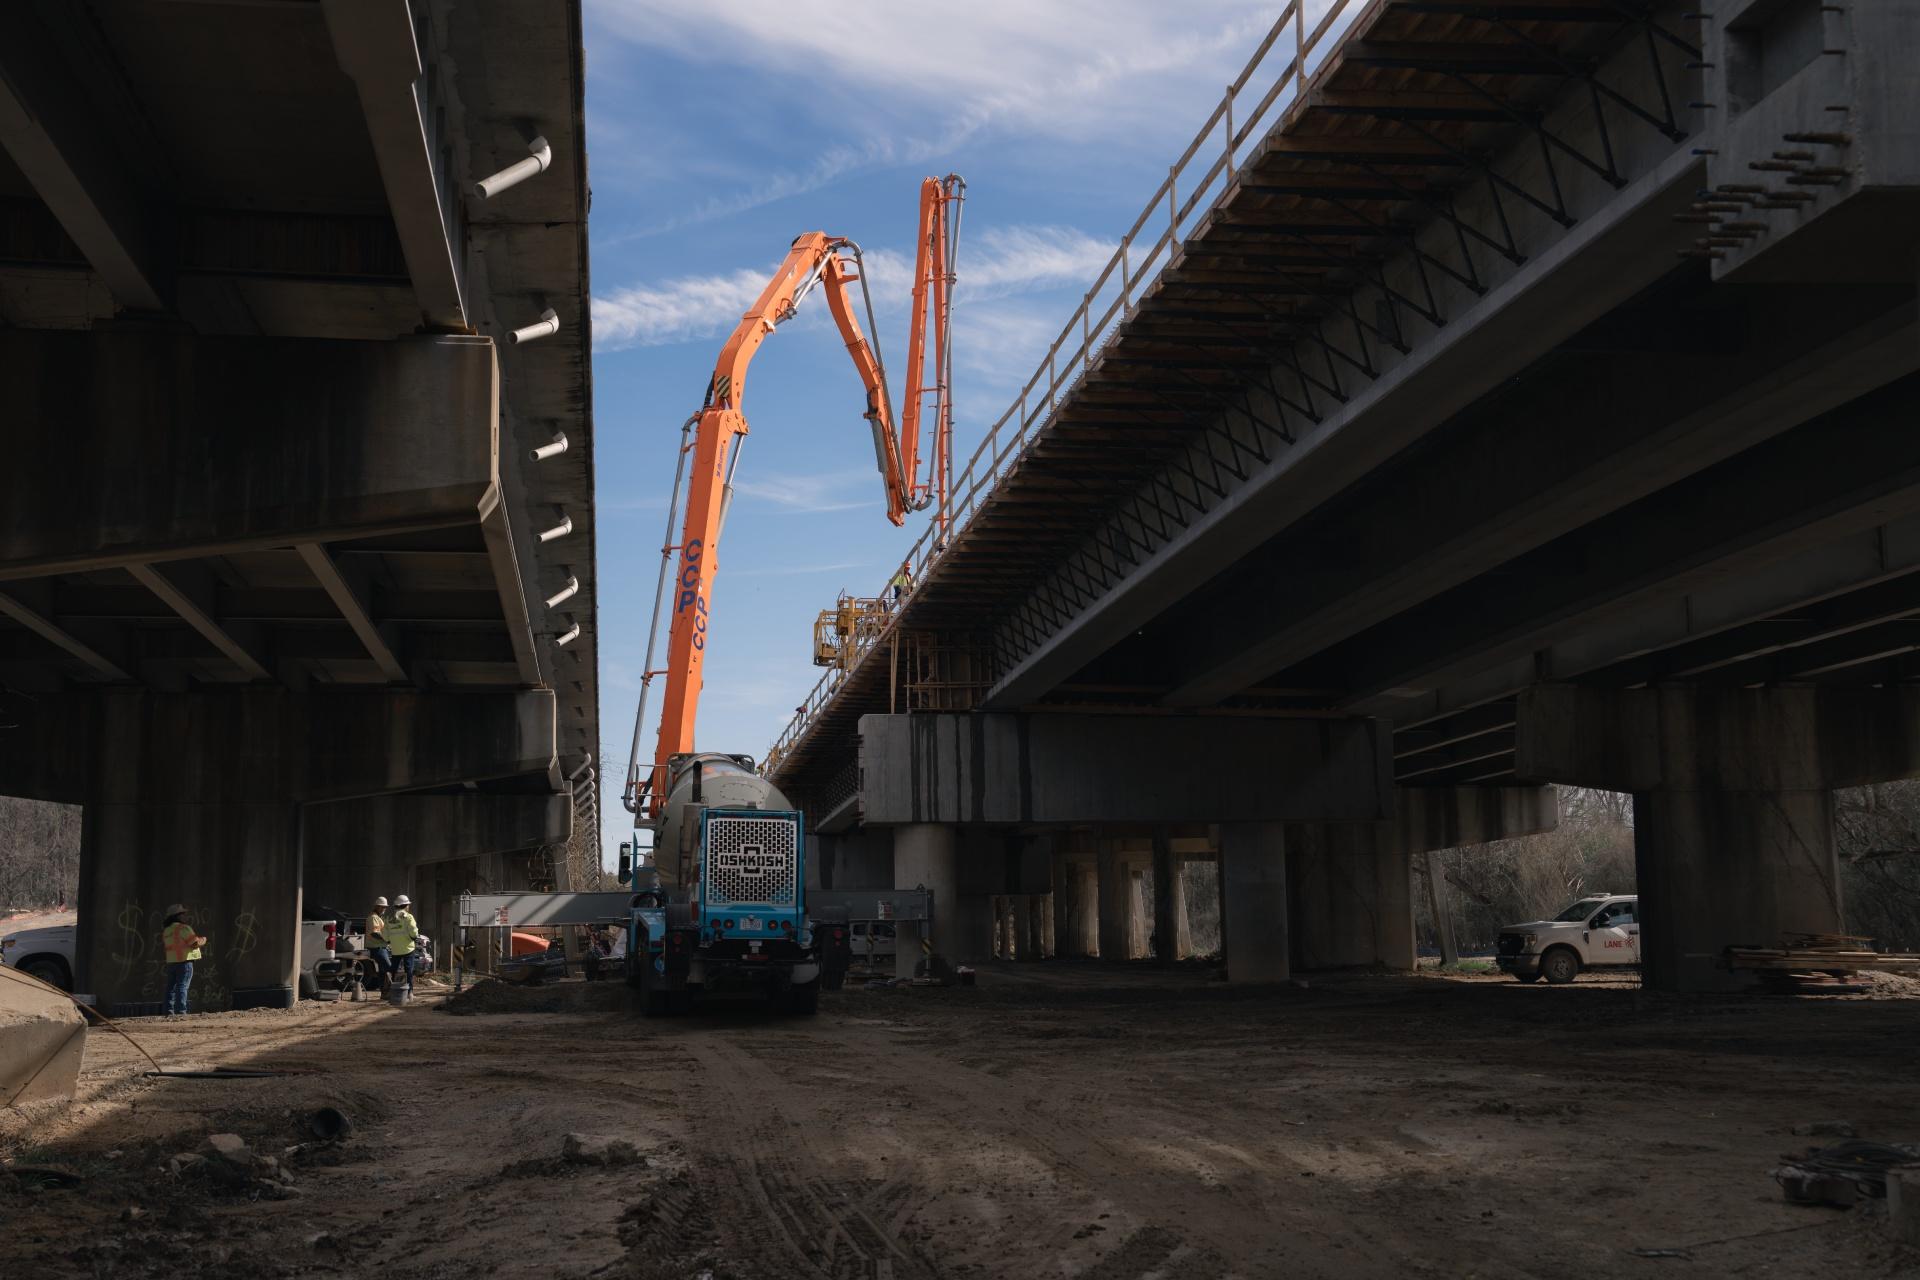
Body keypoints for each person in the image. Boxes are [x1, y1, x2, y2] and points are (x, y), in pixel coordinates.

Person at [160, 905, 208, 1018]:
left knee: (170, 987)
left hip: (172, 962)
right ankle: (181, 1011)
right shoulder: (183, 928)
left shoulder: (167, 930)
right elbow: (194, 943)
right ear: (177, 916)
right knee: (182, 986)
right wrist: (203, 940)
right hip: (185, 961)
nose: (185, 916)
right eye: (183, 914)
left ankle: (168, 1011)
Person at [387, 894, 420, 993]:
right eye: (408, 905)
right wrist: (414, 937)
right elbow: (414, 932)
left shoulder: (390, 918)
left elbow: (385, 935)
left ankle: (393, 991)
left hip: (396, 949)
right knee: (408, 971)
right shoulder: (408, 917)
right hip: (408, 948)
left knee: (394, 970)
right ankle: (409, 992)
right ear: (405, 905)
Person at [365, 895, 392, 990]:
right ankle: (393, 989)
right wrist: (387, 939)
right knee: (389, 967)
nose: (384, 909)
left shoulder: (377, 917)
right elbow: (375, 933)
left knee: (382, 971)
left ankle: (384, 990)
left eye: (385, 907)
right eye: (382, 907)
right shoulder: (373, 917)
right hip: (377, 948)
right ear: (377, 906)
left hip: (380, 947)